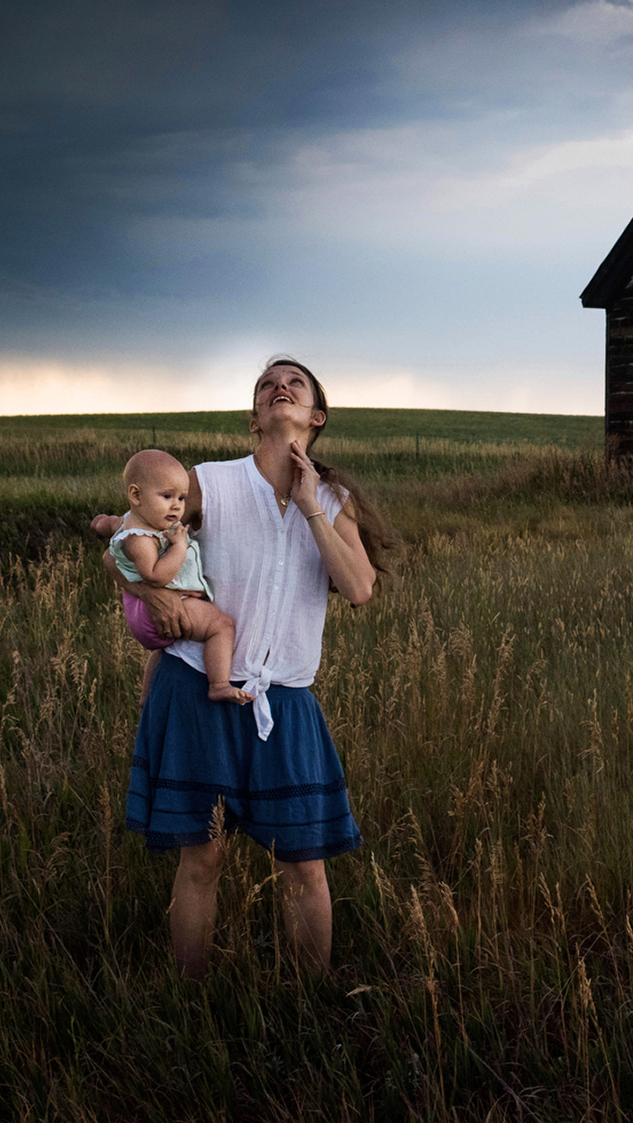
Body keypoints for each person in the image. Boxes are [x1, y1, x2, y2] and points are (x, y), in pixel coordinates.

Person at [93, 356, 401, 977]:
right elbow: (127, 532)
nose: (278, 388)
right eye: (267, 385)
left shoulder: (333, 499)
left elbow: (361, 588)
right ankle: (191, 1001)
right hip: (197, 687)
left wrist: (312, 502)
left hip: (283, 701)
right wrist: (149, 593)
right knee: (201, 860)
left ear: (314, 417)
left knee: (304, 863)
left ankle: (308, 1011)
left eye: (294, 384)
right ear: (255, 417)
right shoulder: (211, 481)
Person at [108, 449, 251, 705]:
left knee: (167, 649)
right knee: (221, 626)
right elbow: (155, 576)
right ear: (135, 495)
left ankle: (145, 696)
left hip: (145, 610)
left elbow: (108, 530)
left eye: (181, 497)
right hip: (154, 609)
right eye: (166, 496)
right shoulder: (141, 539)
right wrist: (180, 547)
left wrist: (102, 523)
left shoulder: (137, 525)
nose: (176, 505)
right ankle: (219, 684)